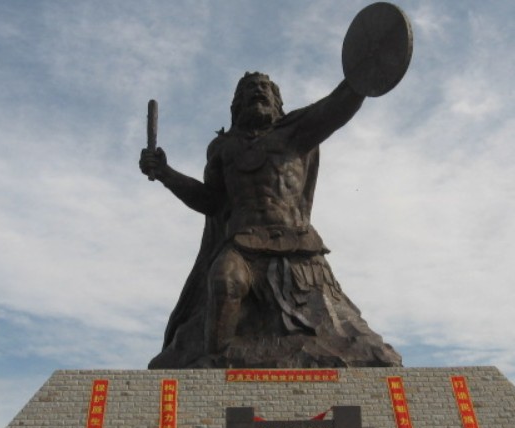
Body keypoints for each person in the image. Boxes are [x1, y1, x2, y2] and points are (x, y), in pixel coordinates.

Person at [139, 73, 401, 369]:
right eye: (250, 89)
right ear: (236, 105)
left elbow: (337, 106)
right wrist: (166, 174)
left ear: (278, 102)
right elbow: (212, 202)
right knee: (224, 281)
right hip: (242, 244)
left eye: (265, 88)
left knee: (342, 334)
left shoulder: (296, 131)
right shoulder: (222, 148)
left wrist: (361, 75)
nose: (258, 91)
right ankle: (214, 368)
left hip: (295, 247)